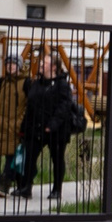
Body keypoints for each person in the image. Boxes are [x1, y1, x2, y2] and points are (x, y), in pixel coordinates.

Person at [21, 51, 83, 202]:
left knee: (57, 159)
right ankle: (26, 186)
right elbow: (30, 105)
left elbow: (64, 107)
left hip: (57, 129)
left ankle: (57, 189)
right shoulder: (37, 83)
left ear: (54, 67)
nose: (41, 65)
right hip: (36, 127)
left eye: (45, 63)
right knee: (29, 156)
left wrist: (52, 125)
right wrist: (25, 127)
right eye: (41, 62)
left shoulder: (62, 85)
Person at [0, 53, 30, 199]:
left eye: (13, 63)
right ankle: (23, 186)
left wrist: (20, 124)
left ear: (19, 66)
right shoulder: (1, 83)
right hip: (2, 128)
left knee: (12, 157)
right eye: (8, 63)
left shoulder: (26, 83)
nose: (10, 66)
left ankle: (3, 186)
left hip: (16, 128)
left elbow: (28, 106)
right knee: (12, 157)